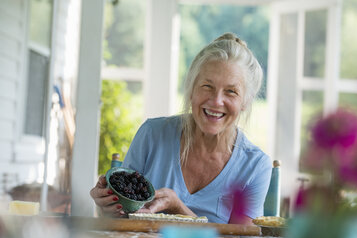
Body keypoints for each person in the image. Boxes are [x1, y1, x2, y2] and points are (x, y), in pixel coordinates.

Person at [90, 32, 272, 224]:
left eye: (231, 91)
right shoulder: (152, 134)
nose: (216, 101)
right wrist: (108, 207)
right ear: (192, 89)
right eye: (207, 86)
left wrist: (178, 209)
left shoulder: (255, 166)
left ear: (246, 101)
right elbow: (122, 220)